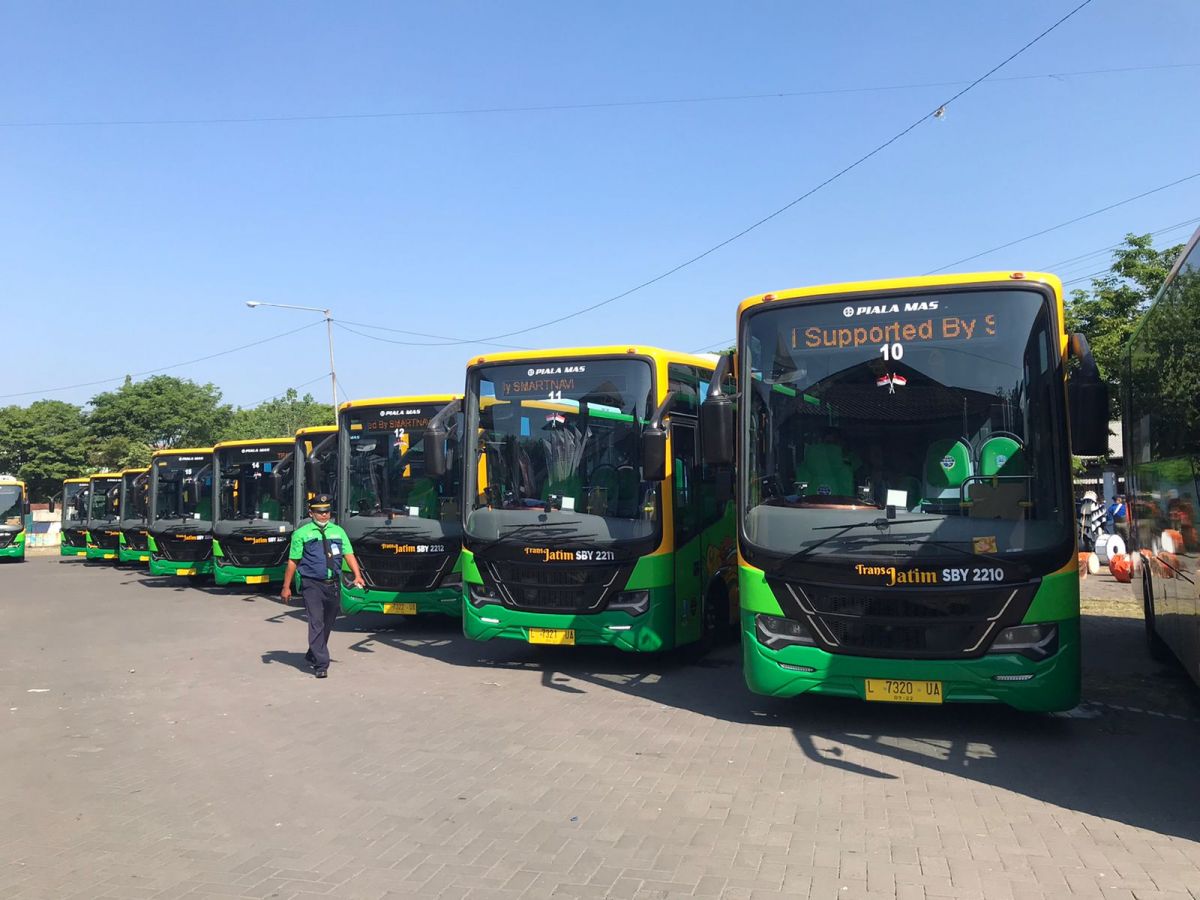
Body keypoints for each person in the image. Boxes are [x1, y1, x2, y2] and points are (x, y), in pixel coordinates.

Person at [280, 494, 365, 678]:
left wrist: (357, 575)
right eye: (320, 512)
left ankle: (313, 652)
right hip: (312, 585)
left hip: (333, 584)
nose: (324, 515)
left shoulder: (338, 531)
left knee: (328, 623)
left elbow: (349, 555)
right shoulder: (301, 534)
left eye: (327, 511)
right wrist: (286, 586)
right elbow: (293, 562)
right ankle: (321, 664)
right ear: (311, 513)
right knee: (316, 622)